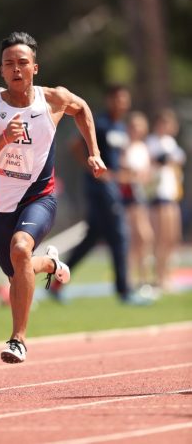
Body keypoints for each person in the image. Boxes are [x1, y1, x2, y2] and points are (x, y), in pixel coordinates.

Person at [0, 31, 107, 364]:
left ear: (35, 67)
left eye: (22, 63)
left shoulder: (53, 100)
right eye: (9, 64)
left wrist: (94, 152)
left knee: (20, 248)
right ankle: (51, 264)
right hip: (2, 203)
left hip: (40, 197)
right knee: (17, 272)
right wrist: (3, 140)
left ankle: (18, 339)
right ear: (1, 71)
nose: (16, 69)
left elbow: (82, 108)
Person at [49, 85, 153, 305]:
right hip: (99, 188)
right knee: (119, 236)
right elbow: (75, 145)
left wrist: (124, 172)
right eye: (117, 99)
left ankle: (57, 282)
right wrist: (94, 170)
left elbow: (116, 157)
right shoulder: (100, 122)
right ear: (109, 100)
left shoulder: (120, 127)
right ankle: (124, 292)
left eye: (124, 99)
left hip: (113, 186)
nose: (121, 103)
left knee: (91, 239)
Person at [146, 108, 186, 291]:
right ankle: (159, 276)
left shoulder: (170, 142)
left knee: (172, 237)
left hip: (172, 194)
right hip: (158, 195)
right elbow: (158, 160)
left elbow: (179, 159)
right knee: (161, 237)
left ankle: (168, 275)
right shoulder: (153, 141)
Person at [120, 111, 154, 288]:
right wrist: (132, 175)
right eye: (133, 126)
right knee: (137, 236)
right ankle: (131, 278)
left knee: (143, 238)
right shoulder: (125, 147)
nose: (137, 129)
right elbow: (122, 173)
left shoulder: (143, 148)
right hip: (129, 197)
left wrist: (142, 178)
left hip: (141, 196)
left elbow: (147, 174)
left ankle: (143, 277)